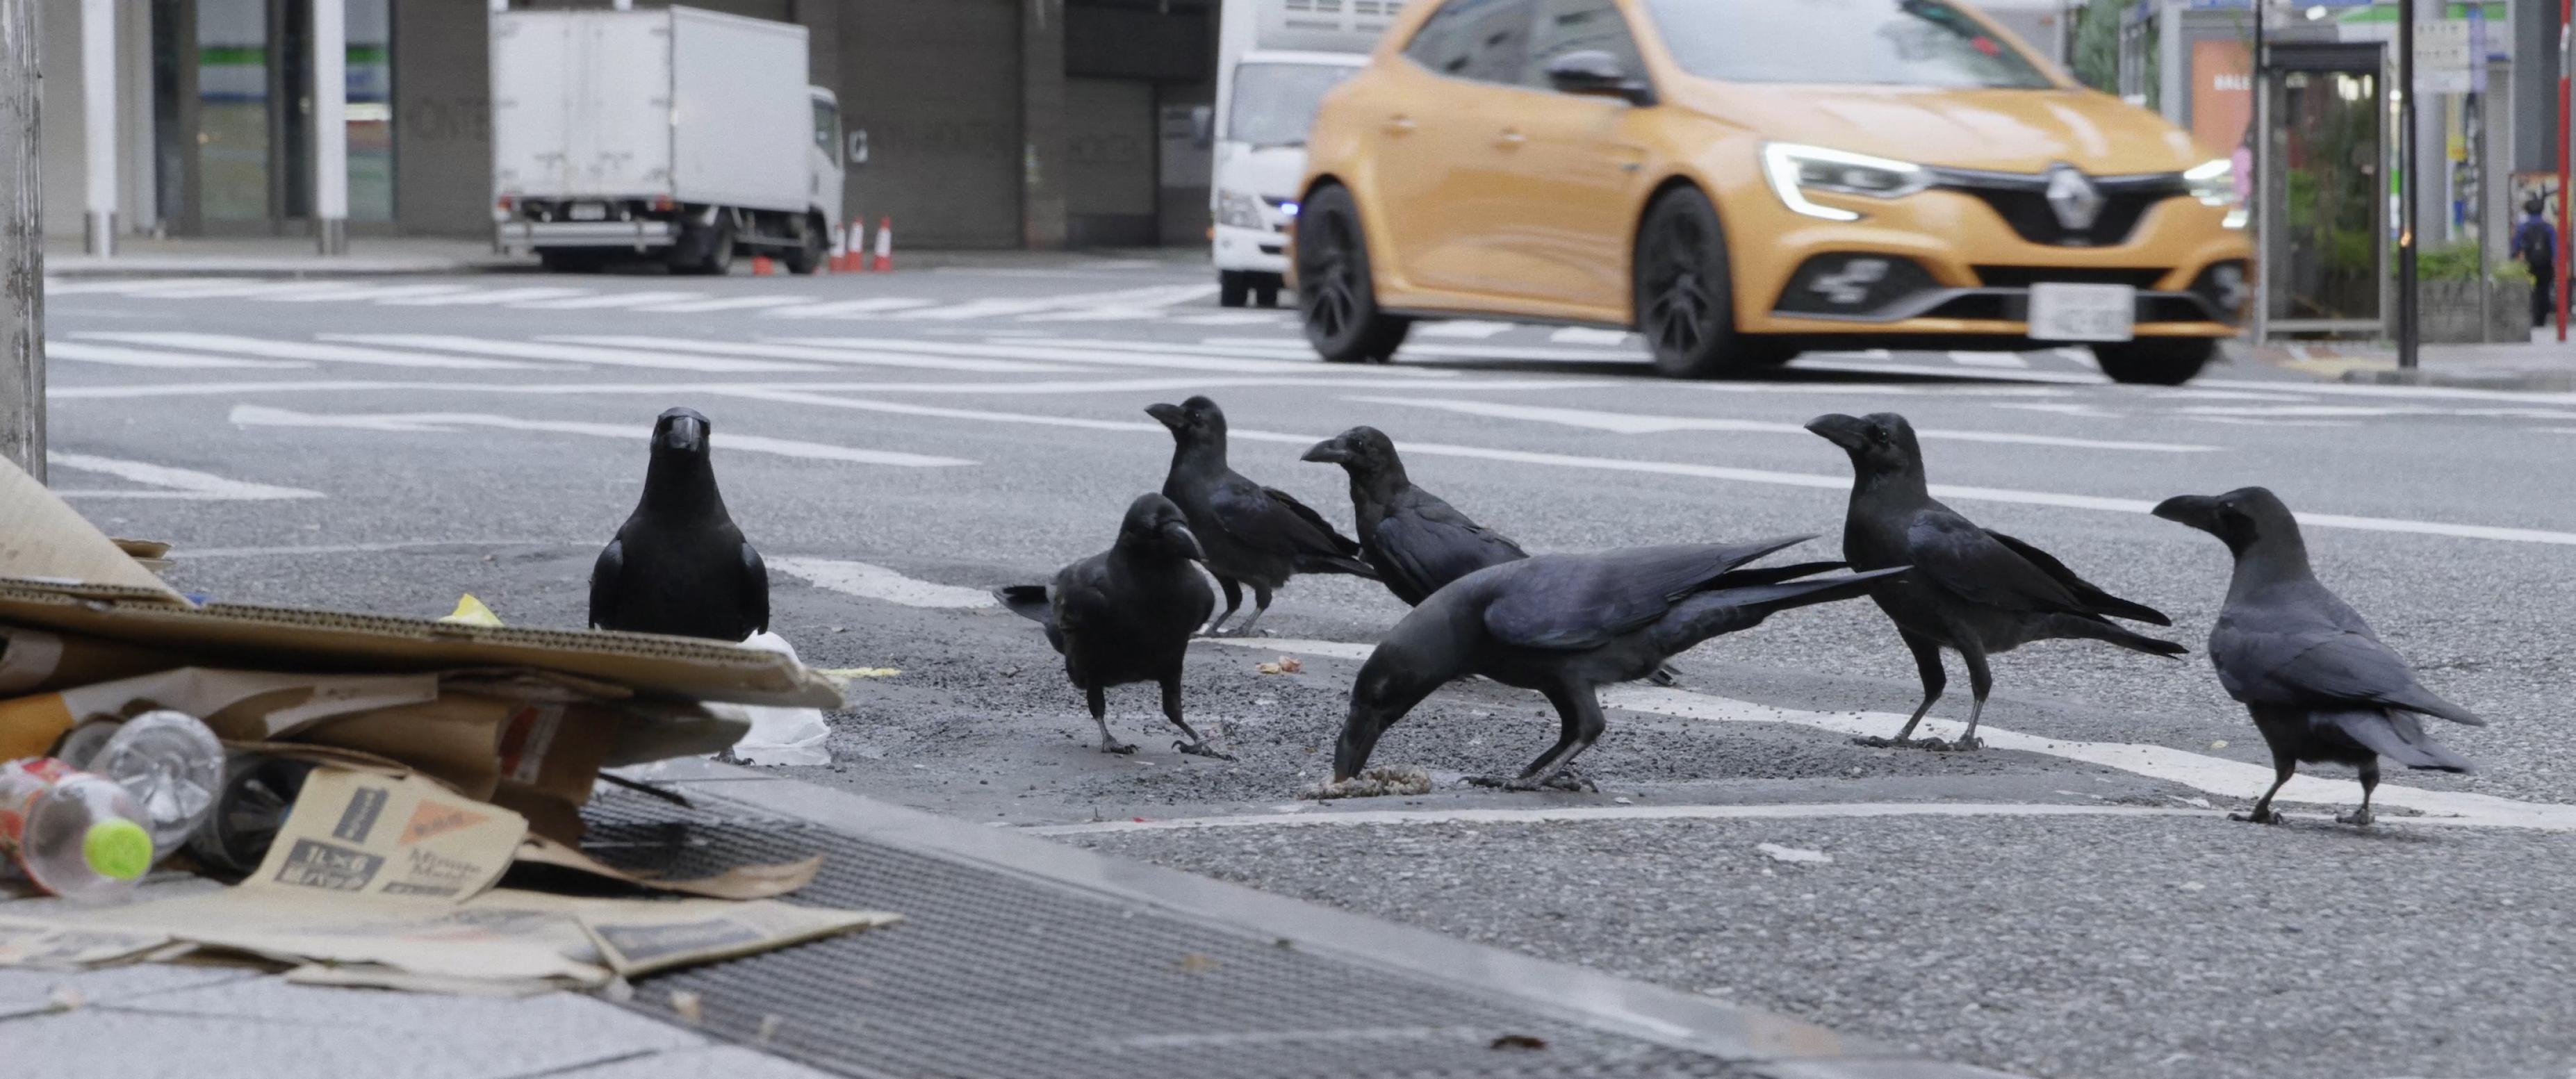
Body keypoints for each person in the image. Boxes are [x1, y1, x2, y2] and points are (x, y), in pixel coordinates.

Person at [2513, 195, 2559, 329]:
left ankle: (2533, 317)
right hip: (2546, 264)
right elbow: (2555, 247)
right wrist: (2556, 263)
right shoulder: (2549, 228)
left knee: (2531, 291)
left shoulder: (2523, 227)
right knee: (2544, 291)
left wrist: (2514, 256)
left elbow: (2516, 246)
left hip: (2530, 264)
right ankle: (2542, 319)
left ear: (2527, 211)